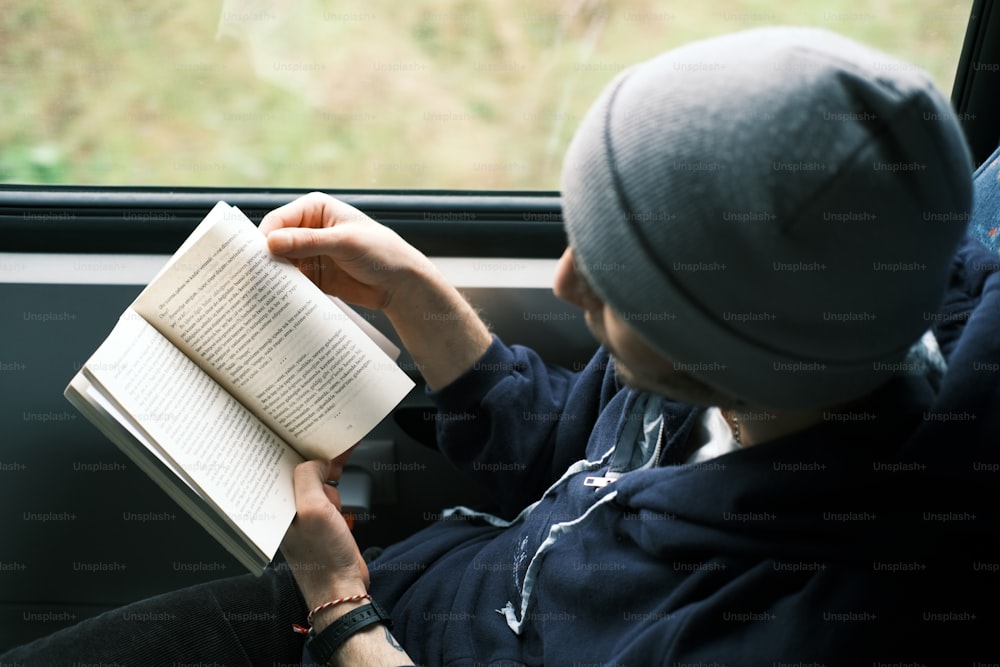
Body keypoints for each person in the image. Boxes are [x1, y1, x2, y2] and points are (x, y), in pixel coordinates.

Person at [3, 25, 998, 666]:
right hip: (404, 590)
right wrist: (422, 301)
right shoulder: (762, 362)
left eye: (616, 289)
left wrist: (342, 606)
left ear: (728, 349)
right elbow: (569, 452)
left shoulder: (769, 630)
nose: (564, 284)